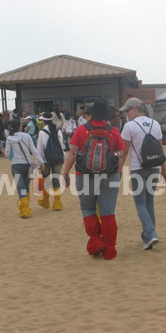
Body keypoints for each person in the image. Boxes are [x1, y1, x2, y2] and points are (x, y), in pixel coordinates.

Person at [61, 98, 124, 260]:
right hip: (109, 175)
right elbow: (121, 154)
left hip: (85, 175)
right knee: (108, 213)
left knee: (88, 209)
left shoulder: (82, 130)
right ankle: (110, 249)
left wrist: (65, 173)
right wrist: (119, 171)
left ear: (92, 114)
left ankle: (96, 241)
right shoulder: (114, 131)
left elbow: (73, 154)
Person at [119, 97, 166, 250]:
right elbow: (160, 150)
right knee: (149, 201)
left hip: (138, 168)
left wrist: (119, 168)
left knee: (140, 202)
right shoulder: (155, 124)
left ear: (134, 110)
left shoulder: (129, 126)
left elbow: (124, 150)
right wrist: (164, 168)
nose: (127, 114)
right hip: (154, 166)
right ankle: (149, 236)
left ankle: (151, 233)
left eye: (127, 111)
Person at [5, 119, 45, 219]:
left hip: (15, 165)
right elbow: (34, 150)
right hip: (27, 165)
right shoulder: (26, 136)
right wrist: (41, 162)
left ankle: (24, 209)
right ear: (20, 126)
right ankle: (26, 208)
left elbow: (7, 154)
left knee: (21, 187)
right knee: (26, 186)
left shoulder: (9, 138)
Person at [37, 112, 66, 211]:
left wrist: (39, 163)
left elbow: (40, 149)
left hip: (46, 159)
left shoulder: (42, 132)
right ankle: (57, 203)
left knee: (45, 179)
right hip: (58, 158)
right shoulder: (58, 130)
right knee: (56, 179)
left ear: (44, 121)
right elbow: (62, 145)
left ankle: (45, 201)